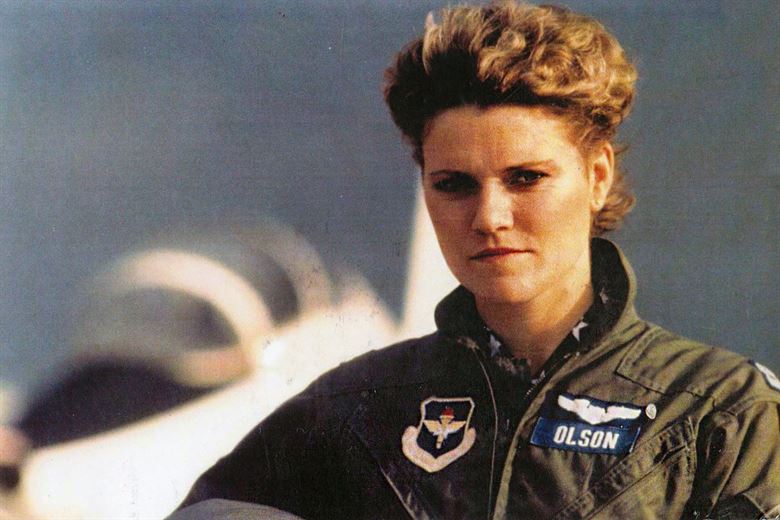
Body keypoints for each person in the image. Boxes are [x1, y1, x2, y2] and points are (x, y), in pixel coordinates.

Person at [174, 2, 780, 518]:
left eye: (526, 178)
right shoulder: (355, 408)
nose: (489, 217)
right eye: (454, 185)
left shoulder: (723, 414)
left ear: (597, 177)